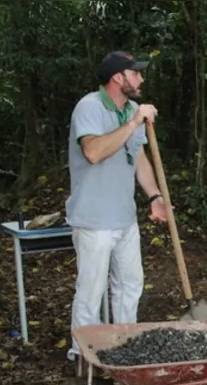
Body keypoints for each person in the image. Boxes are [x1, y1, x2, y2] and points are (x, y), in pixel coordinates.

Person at [64, 51, 169, 360]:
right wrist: (134, 121)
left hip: (125, 218)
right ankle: (83, 355)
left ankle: (123, 348)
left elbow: (139, 158)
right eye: (135, 73)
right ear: (117, 78)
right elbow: (94, 152)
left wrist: (155, 197)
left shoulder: (131, 110)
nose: (141, 79)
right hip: (94, 220)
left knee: (130, 285)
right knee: (91, 293)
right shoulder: (90, 107)